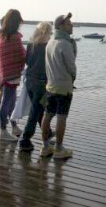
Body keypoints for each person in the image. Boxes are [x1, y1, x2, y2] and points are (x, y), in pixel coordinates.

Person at [40, 12, 77, 159]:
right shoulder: (65, 44)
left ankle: (45, 147)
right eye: (68, 24)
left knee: (48, 115)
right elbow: (71, 67)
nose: (71, 25)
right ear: (61, 26)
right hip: (63, 86)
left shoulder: (50, 42)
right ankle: (59, 149)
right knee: (62, 117)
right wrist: (73, 78)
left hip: (50, 85)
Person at [18, 21, 53, 153]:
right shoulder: (48, 46)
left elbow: (27, 61)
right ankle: (25, 139)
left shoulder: (31, 44)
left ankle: (47, 132)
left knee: (38, 108)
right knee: (36, 110)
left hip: (30, 80)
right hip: (42, 82)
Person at [0, 9, 27, 142]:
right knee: (7, 101)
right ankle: (3, 130)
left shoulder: (1, 36)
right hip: (11, 74)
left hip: (4, 72)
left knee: (11, 100)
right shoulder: (14, 37)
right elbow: (22, 54)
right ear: (16, 22)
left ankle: (13, 126)